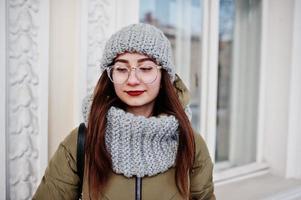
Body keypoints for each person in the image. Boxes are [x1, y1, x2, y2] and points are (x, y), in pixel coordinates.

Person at [33, 23, 215, 200]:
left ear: (164, 75)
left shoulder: (190, 143)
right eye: (121, 69)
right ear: (110, 75)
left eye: (145, 68)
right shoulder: (81, 142)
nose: (133, 80)